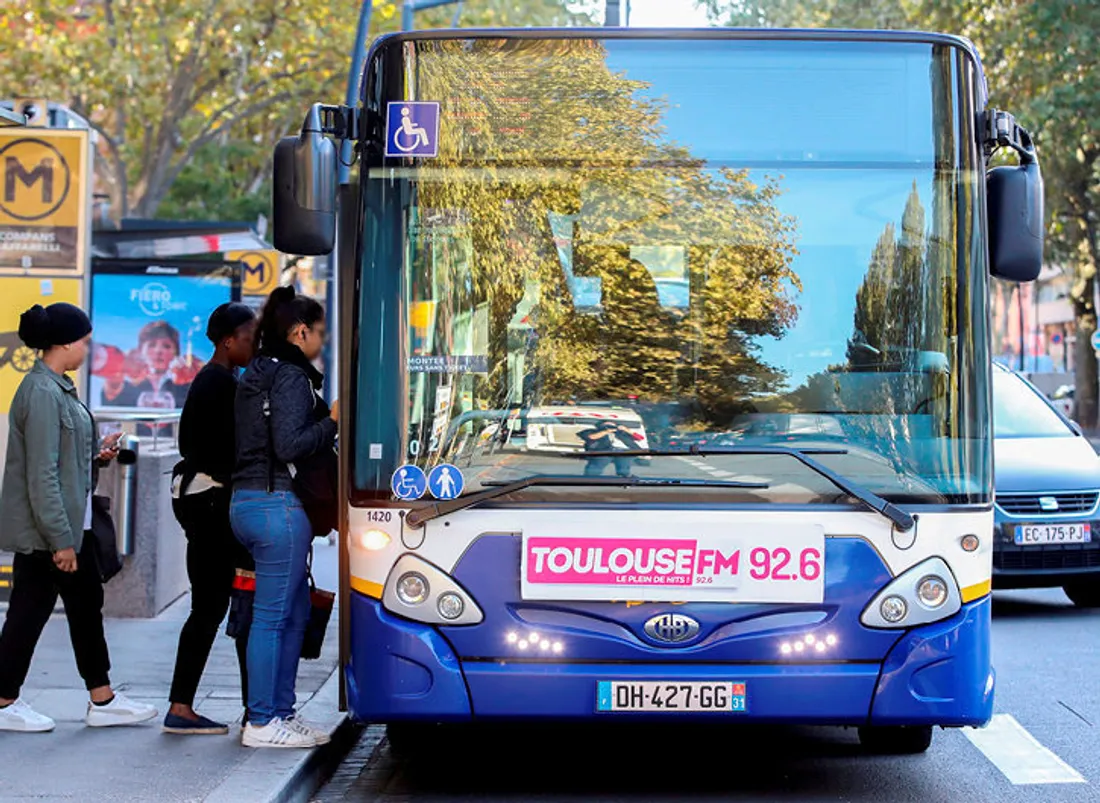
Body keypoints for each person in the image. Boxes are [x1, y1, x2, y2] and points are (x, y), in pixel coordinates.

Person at [0, 303, 158, 732]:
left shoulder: (58, 389)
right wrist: (61, 541)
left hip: (72, 526)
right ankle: (5, 700)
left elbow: (62, 461)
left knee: (85, 609)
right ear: (66, 342)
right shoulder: (42, 393)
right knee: (28, 615)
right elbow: (41, 474)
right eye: (85, 341)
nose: (89, 349)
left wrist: (97, 454)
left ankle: (102, 698)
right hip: (51, 533)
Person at [231, 287, 337, 749]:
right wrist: (332, 421)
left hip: (249, 502)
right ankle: (262, 721)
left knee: (289, 614)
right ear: (299, 332)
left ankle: (279, 712)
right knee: (274, 619)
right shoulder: (291, 377)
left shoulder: (257, 371)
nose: (322, 342)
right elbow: (290, 444)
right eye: (319, 334)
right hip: (277, 504)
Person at [164, 303, 257, 735]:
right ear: (228, 340)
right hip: (215, 512)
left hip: (206, 510)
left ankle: (184, 706)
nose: (253, 343)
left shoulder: (215, 379)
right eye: (249, 335)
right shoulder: (219, 384)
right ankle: (252, 708)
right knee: (235, 607)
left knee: (214, 607)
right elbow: (223, 449)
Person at [101, 320, 200, 409]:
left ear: (176, 353)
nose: (158, 351)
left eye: (166, 346)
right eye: (151, 345)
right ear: (140, 351)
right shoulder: (124, 385)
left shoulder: (187, 387)